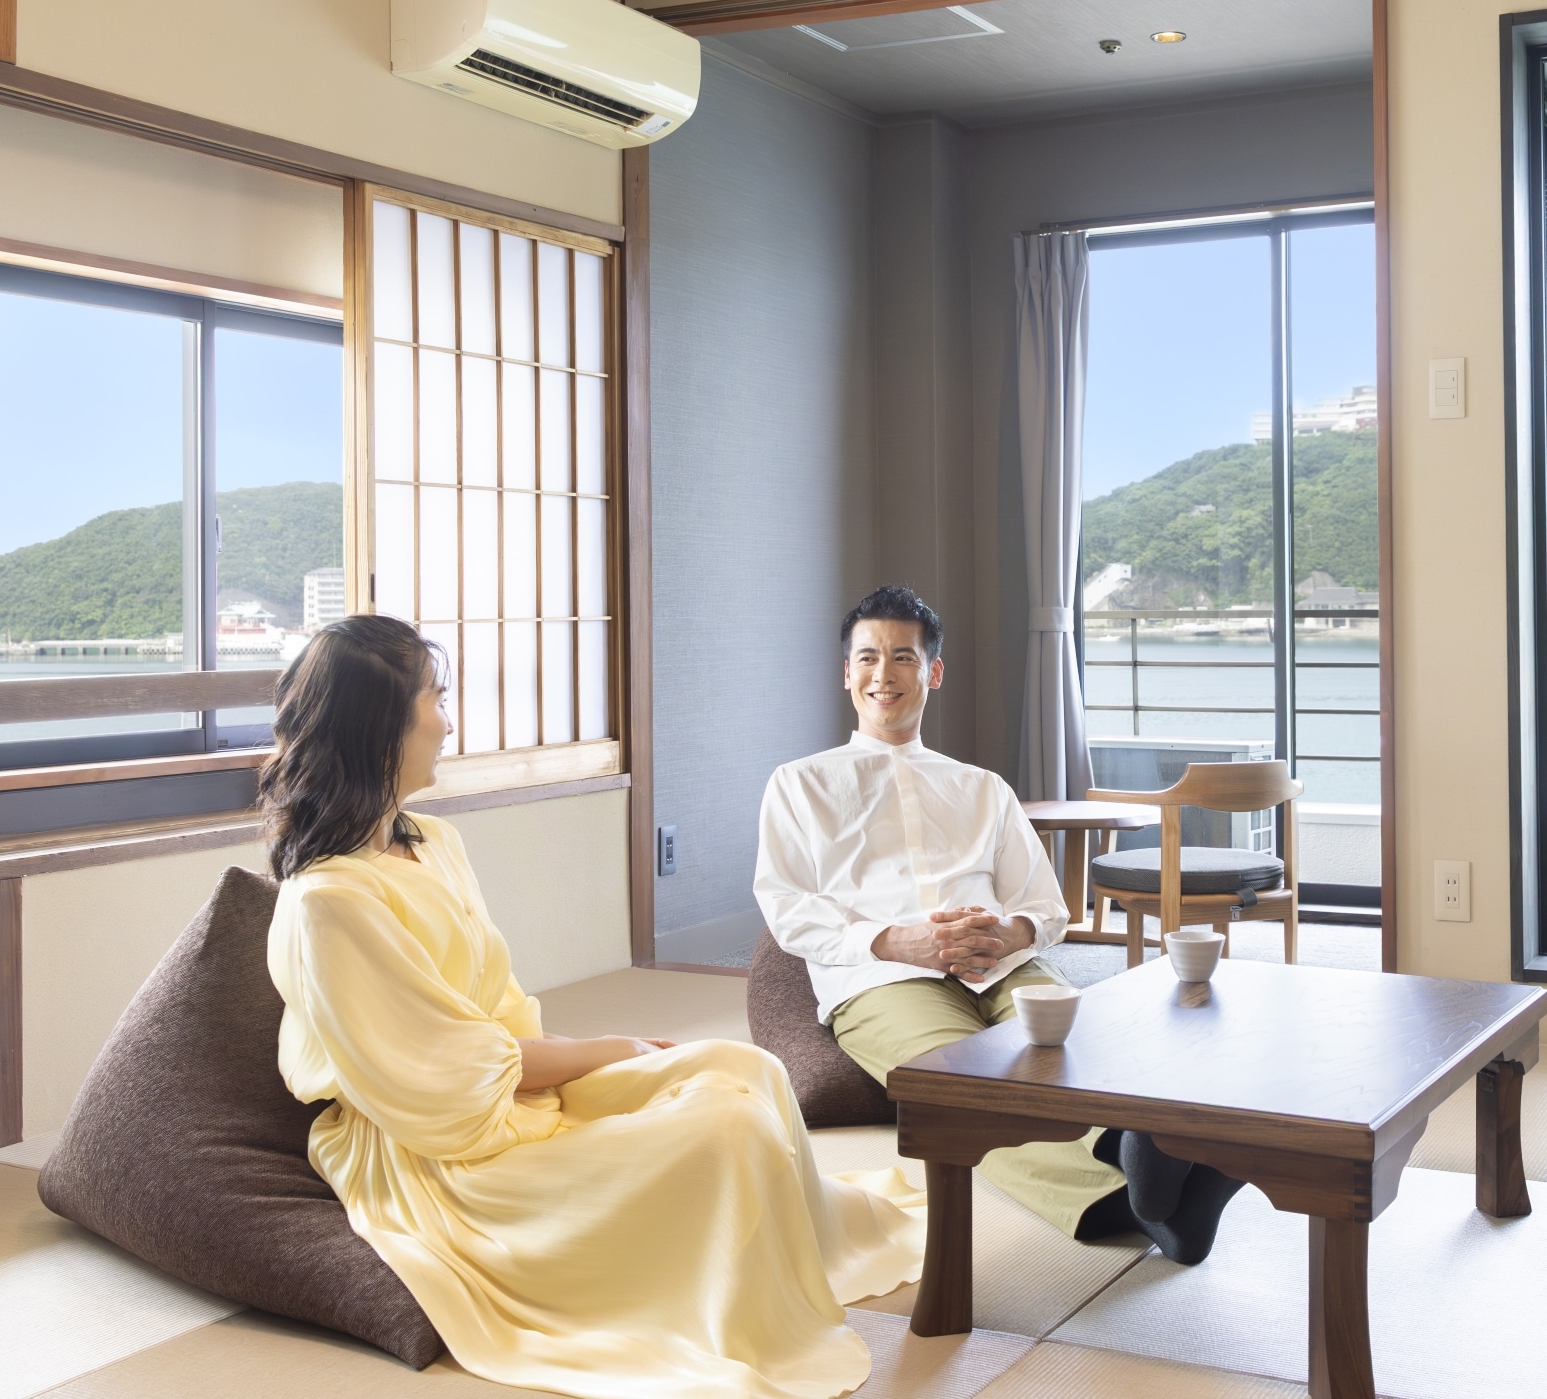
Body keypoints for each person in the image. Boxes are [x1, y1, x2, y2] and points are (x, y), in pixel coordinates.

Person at [264, 615, 921, 1399]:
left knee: (742, 1065)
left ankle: (805, 1253)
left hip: (512, 1084)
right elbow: (449, 1082)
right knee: (724, 1129)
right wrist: (604, 1050)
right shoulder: (328, 902)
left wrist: (585, 1055)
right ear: (379, 725)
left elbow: (498, 1015)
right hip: (439, 1152)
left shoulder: (433, 841)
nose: (448, 719)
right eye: (435, 699)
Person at [753, 584, 1243, 1264]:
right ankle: (1149, 1189)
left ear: (934, 672)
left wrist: (1008, 933)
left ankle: (1164, 1183)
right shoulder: (799, 784)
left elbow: (1046, 908)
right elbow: (788, 908)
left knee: (1084, 1054)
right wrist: (900, 939)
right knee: (966, 1093)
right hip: (881, 975)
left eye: (903, 657)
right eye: (867, 658)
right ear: (847, 674)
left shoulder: (982, 787)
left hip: (1006, 965)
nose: (884, 674)